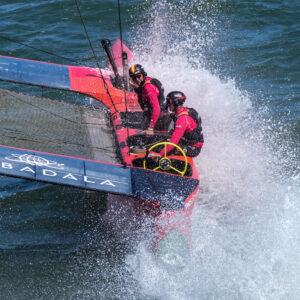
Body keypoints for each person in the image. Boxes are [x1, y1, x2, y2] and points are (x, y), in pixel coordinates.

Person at [157, 91, 204, 157]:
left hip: (193, 148)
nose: (168, 105)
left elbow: (173, 143)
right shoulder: (183, 111)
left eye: (169, 103)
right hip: (187, 142)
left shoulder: (182, 119)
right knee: (161, 140)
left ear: (175, 103)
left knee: (162, 148)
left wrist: (159, 155)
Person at [129, 64, 168, 135]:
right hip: (156, 114)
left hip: (160, 118)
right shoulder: (144, 83)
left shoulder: (148, 87)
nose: (137, 79)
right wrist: (137, 89)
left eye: (138, 76)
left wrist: (150, 128)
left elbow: (156, 108)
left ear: (143, 74)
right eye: (134, 78)